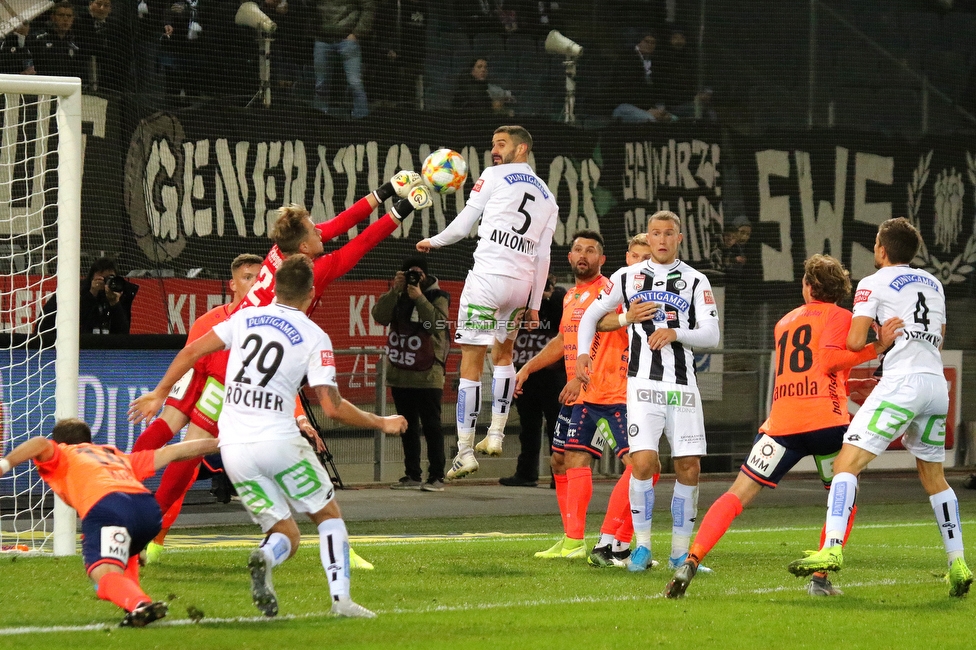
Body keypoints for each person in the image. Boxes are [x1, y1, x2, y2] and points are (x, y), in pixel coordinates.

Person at [129, 172, 429, 567]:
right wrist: (403, 208)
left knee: (189, 443)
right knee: (259, 444)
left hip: (234, 340)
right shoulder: (312, 272)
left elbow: (339, 225)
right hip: (241, 357)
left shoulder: (281, 250)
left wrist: (389, 190)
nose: (323, 234)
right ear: (304, 247)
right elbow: (359, 243)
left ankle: (144, 532)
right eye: (315, 233)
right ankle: (141, 525)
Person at [132, 256, 407, 618]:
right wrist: (380, 421)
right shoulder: (314, 336)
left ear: (273, 288)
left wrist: (159, 391)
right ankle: (342, 601)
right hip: (279, 444)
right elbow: (332, 406)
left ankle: (265, 555)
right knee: (328, 516)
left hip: (234, 450)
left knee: (286, 534)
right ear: (311, 293)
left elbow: (192, 350)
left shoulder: (242, 319)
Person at [664, 254, 903, 599]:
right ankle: (820, 579)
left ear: (807, 287)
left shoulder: (784, 322)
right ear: (840, 290)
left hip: (782, 423)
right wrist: (876, 346)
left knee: (737, 493)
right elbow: (830, 361)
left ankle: (691, 559)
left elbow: (809, 366)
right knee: (844, 496)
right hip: (826, 423)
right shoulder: (842, 316)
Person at [788, 217, 975, 598]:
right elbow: (938, 338)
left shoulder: (873, 283)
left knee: (845, 465)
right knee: (934, 476)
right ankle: (958, 561)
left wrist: (880, 337)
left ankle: (832, 549)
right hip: (935, 384)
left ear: (882, 249)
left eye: (875, 243)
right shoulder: (935, 283)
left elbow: (856, 341)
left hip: (901, 383)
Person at [576, 210, 721, 571]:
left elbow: (712, 335)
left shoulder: (696, 281)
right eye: (655, 233)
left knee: (688, 467)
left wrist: (676, 333)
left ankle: (678, 554)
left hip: (683, 387)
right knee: (642, 463)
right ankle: (641, 548)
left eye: (668, 233)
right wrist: (582, 353)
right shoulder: (627, 277)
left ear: (678, 238)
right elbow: (591, 316)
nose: (660, 239)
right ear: (649, 236)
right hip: (641, 386)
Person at [416, 125, 559, 480]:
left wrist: (433, 241)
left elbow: (464, 227)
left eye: (501, 144)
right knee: (504, 356)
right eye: (493, 144)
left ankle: (464, 451)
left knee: (470, 361)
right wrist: (535, 303)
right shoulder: (548, 198)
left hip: (488, 280)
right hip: (521, 287)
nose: (494, 150)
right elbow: (543, 256)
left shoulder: (494, 175)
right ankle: (495, 433)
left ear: (522, 148)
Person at [516, 231, 658, 563]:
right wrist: (529, 368)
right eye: (578, 249)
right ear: (569, 256)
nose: (583, 255)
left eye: (591, 250)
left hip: (611, 393)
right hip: (581, 394)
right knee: (563, 461)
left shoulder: (615, 290)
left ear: (602, 259)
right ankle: (573, 541)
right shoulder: (570, 297)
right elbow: (565, 339)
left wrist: (583, 378)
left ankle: (618, 539)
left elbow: (604, 324)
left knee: (642, 465)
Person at [0, 418, 217, 627]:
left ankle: (139, 604)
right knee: (125, 552)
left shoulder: (63, 452)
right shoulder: (115, 455)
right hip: (148, 509)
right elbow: (172, 452)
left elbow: (39, 443)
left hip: (108, 506)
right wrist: (221, 444)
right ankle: (135, 604)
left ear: (59, 443)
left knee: (103, 576)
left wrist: (5, 463)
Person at [131, 253, 263, 563]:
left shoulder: (264, 321)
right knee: (166, 427)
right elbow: (189, 357)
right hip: (205, 375)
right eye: (247, 277)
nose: (255, 283)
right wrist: (161, 392)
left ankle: (148, 530)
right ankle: (127, 493)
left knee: (189, 454)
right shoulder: (209, 322)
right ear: (232, 284)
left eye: (259, 277)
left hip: (226, 386)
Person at [371, 256, 451, 492]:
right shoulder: (396, 295)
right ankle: (412, 474)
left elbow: (436, 325)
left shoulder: (438, 297)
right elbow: (379, 316)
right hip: (401, 372)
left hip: (428, 375)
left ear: (426, 276)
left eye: (418, 274)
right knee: (407, 427)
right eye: (409, 274)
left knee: (432, 426)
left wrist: (420, 298)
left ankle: (436, 476)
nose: (414, 279)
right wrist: (396, 291)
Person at [502, 274, 565, 488]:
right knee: (528, 427)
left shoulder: (560, 299)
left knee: (556, 426)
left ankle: (560, 475)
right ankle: (526, 473)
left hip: (553, 374)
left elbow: (564, 323)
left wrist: (548, 297)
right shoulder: (520, 301)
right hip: (524, 372)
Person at [36, 256, 138, 335]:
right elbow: (72, 321)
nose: (107, 282)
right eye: (102, 278)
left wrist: (115, 304)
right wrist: (91, 294)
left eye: (110, 278)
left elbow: (123, 333)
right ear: (91, 278)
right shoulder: (75, 292)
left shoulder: (121, 293)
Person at [312, 0, 373, 118]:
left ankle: (362, 120)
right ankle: (318, 120)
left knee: (354, 82)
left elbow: (369, 7)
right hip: (322, 37)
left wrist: (357, 33)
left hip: (347, 39)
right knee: (321, 83)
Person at [609, 31, 675, 124]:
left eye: (653, 43)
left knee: (674, 120)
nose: (650, 45)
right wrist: (647, 110)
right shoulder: (626, 59)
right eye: (647, 42)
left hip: (648, 107)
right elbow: (626, 92)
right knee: (651, 121)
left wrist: (660, 110)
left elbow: (658, 90)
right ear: (639, 42)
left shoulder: (654, 62)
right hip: (624, 106)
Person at [31, 2, 85, 79]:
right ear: (53, 17)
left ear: (73, 18)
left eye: (69, 16)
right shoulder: (39, 39)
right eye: (61, 15)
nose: (65, 19)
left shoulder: (77, 42)